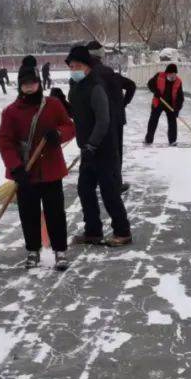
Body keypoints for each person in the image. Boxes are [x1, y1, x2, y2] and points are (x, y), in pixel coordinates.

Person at [0, 68, 75, 271]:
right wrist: (15, 168)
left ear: (39, 83)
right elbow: (5, 142)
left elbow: (69, 126)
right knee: (28, 213)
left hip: (50, 170)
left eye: (33, 83)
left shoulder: (52, 105)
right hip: (25, 172)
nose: (29, 87)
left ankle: (60, 251)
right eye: (25, 84)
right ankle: (33, 250)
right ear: (20, 86)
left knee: (55, 213)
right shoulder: (11, 112)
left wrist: (58, 134)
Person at [65, 45, 132, 246]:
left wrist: (93, 145)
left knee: (109, 191)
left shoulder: (96, 87)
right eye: (70, 66)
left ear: (86, 66)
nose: (73, 69)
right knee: (84, 190)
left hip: (103, 149)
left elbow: (103, 120)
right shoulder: (76, 88)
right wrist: (61, 102)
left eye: (76, 65)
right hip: (87, 149)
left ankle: (123, 232)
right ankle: (93, 231)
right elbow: (77, 115)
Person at [84, 40, 135, 192]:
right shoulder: (110, 73)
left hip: (95, 120)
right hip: (115, 119)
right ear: (101, 55)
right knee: (115, 151)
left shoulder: (87, 74)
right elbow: (131, 85)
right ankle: (116, 183)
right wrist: (123, 103)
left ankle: (94, 182)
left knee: (93, 149)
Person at [145, 64, 184, 146]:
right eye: (170, 74)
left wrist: (177, 109)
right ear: (167, 73)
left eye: (174, 74)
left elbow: (180, 98)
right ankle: (148, 139)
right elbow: (150, 84)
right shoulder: (159, 76)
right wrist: (156, 91)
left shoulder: (178, 81)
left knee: (172, 121)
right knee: (153, 120)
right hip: (159, 101)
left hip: (170, 103)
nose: (172, 76)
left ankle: (172, 140)